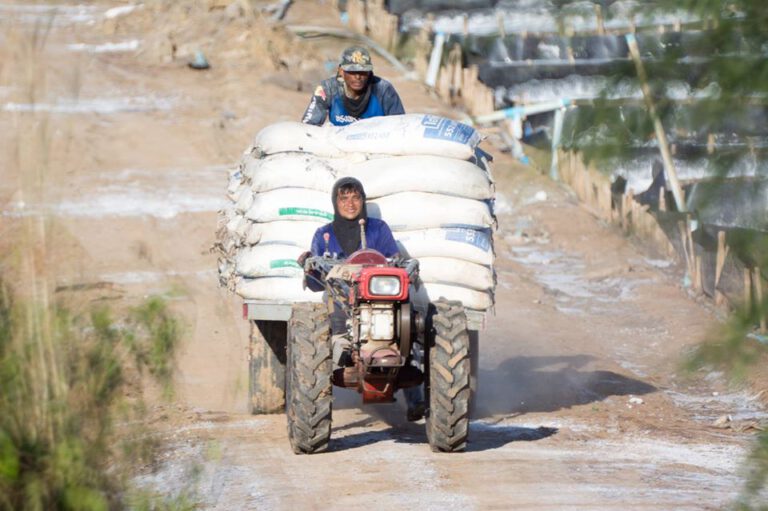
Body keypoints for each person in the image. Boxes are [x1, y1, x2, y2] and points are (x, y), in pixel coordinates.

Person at [302, 176, 425, 421]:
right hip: (341, 304)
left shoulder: (378, 229)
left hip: (381, 302)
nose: (350, 203)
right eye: (344, 198)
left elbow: (393, 261)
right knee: (329, 331)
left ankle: (417, 400)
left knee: (411, 329)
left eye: (355, 197)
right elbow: (316, 279)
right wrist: (310, 266)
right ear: (335, 202)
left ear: (363, 201)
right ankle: (322, 401)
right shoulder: (324, 235)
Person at [301, 46, 405, 126]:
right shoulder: (327, 89)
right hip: (340, 146)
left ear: (370, 72)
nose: (358, 76)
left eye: (363, 72)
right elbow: (308, 127)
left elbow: (400, 127)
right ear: (341, 71)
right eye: (352, 71)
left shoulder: (383, 90)